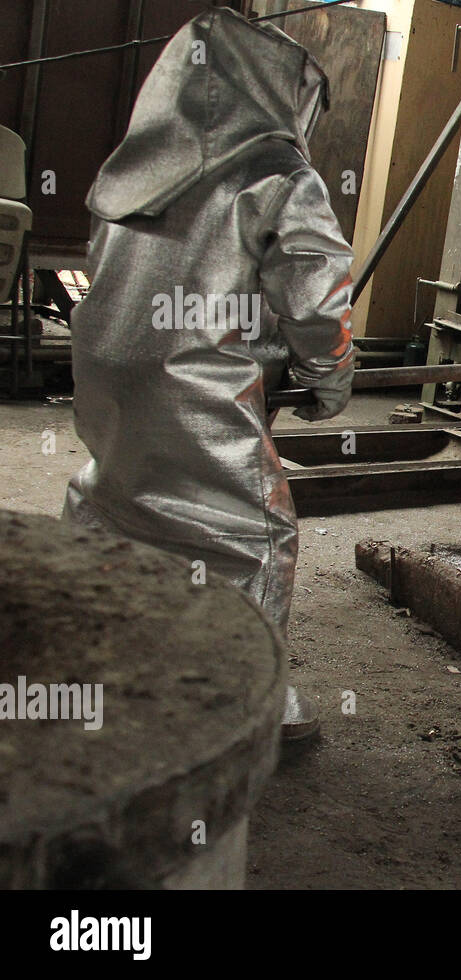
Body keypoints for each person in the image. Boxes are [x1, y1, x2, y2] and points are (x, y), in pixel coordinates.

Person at [63, 8, 354, 737]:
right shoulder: (280, 173)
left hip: (105, 365)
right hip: (186, 378)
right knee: (254, 531)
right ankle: (242, 705)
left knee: (124, 499)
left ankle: (98, 661)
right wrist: (331, 371)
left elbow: (111, 268)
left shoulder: (133, 166)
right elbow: (315, 297)